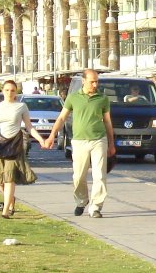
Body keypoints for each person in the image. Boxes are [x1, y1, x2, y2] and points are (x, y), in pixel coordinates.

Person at [45, 69, 116, 218]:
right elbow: (61, 118)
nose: (95, 84)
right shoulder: (73, 98)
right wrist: (52, 135)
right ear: (83, 81)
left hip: (98, 139)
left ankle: (95, 207)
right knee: (78, 176)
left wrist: (111, 143)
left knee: (99, 175)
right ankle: (82, 200)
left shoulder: (102, 99)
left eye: (97, 81)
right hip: (79, 141)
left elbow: (108, 122)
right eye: (92, 82)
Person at [0, 80, 50, 218]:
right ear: (2, 91)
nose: (9, 93)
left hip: (14, 145)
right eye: (7, 90)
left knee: (9, 178)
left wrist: (41, 139)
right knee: (1, 180)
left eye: (12, 90)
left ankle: (5, 211)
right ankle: (11, 200)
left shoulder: (21, 106)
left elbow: (29, 126)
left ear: (16, 92)